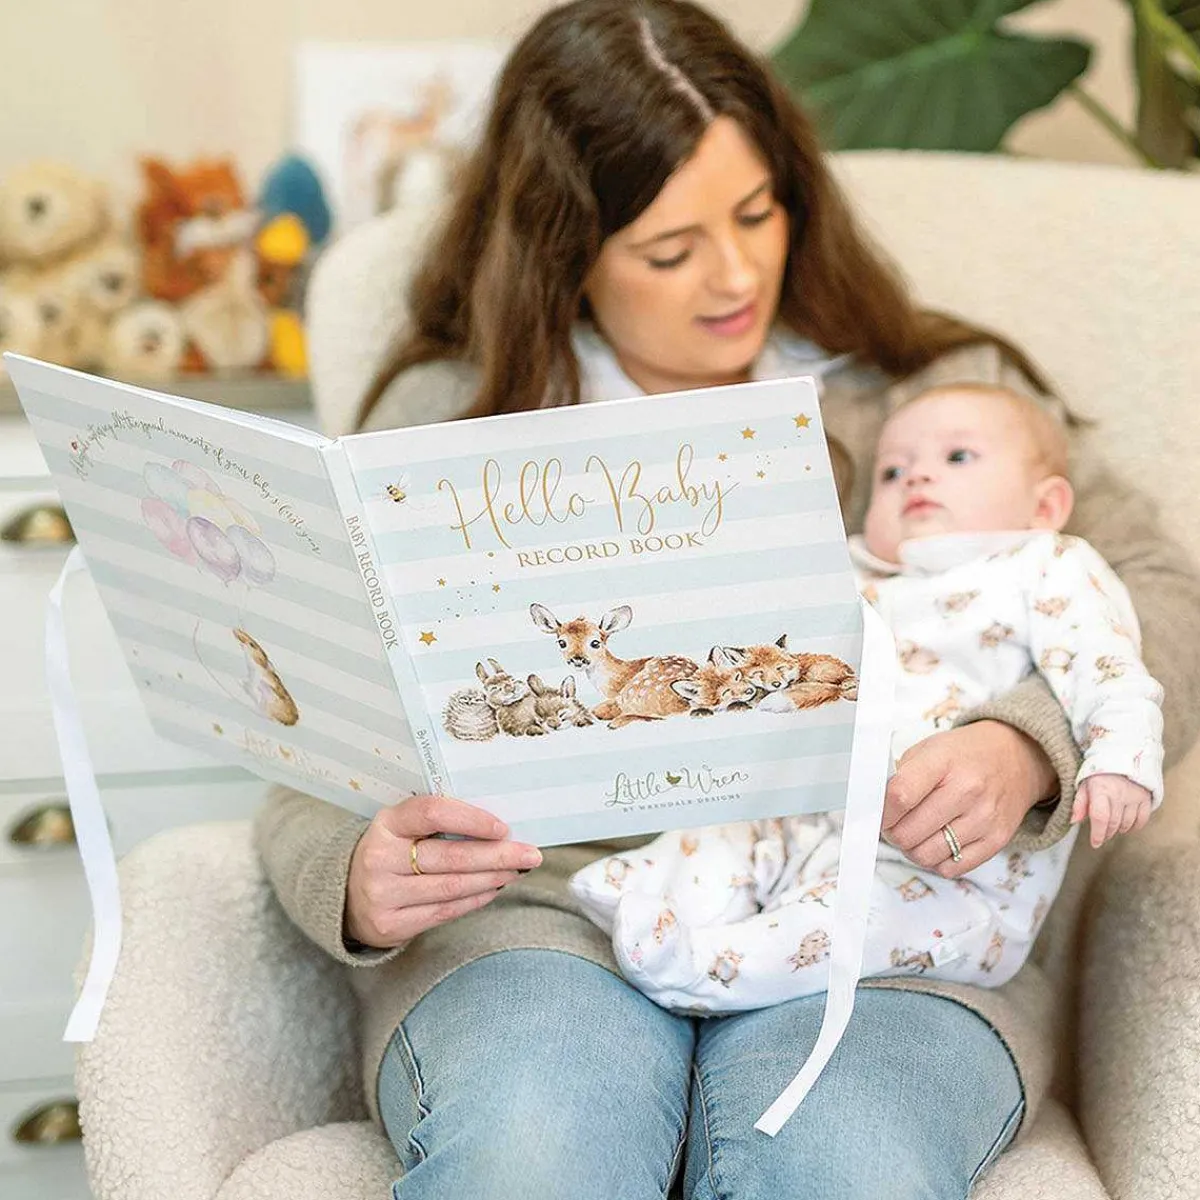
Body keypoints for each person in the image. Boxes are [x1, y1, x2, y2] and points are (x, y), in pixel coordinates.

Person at [253, 2, 1200, 1195]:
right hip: (543, 917)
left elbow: (1159, 591)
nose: (738, 273)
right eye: (669, 249)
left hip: (883, 920)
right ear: (565, 251)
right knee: (537, 1153)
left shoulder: (936, 404)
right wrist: (352, 865)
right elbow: (306, 728)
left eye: (759, 213)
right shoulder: (450, 421)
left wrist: (1029, 743)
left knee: (840, 1165)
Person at [569, 382, 1164, 1014]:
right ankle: (652, 895)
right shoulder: (849, 572)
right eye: (892, 470)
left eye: (958, 458)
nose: (918, 476)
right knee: (722, 835)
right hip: (805, 820)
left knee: (846, 924)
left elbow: (1108, 666)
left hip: (946, 872)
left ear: (1046, 504)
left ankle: (710, 969)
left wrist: (1121, 759)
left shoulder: (1047, 563)